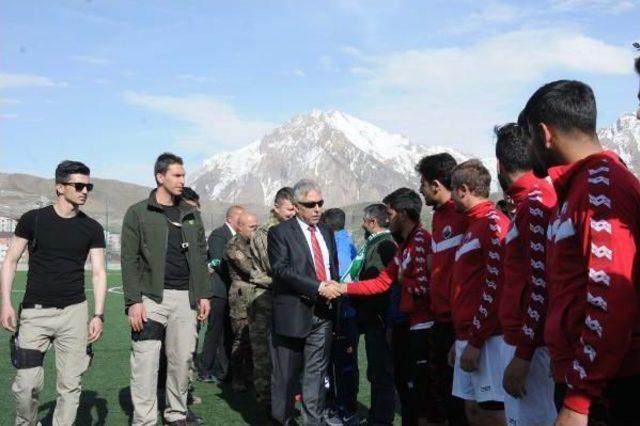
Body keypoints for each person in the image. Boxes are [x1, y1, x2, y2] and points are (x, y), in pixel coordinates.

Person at [521, 80, 640, 425]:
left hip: (610, 386)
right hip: (584, 375)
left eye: (529, 137)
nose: (529, 149)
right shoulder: (575, 189)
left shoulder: (601, 185)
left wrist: (580, 399)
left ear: (544, 133)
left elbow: (610, 296)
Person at [0, 160, 107, 426]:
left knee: (70, 387)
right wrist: (5, 303)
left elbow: (98, 272)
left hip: (74, 313)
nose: (85, 191)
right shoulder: (32, 220)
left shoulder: (92, 228)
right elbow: (10, 261)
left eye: (88, 186)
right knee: (26, 386)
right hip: (34, 314)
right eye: (79, 185)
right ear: (60, 187)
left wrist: (98, 314)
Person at [121, 152, 211, 426]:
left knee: (182, 360)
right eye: (177, 175)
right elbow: (129, 258)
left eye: (184, 175)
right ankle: (144, 420)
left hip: (186, 299)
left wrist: (203, 294)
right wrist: (133, 300)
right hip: (150, 299)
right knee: (146, 362)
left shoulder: (191, 213)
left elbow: (200, 256)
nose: (182, 180)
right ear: (160, 177)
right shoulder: (138, 212)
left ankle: (175, 414)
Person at [333, 188, 437, 426]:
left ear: (402, 214)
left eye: (389, 213)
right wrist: (343, 289)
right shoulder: (404, 245)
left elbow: (423, 288)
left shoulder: (421, 240)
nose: (386, 219)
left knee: (420, 396)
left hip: (421, 327)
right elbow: (382, 282)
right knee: (406, 390)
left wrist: (404, 280)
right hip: (402, 325)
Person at [494, 124, 558, 426]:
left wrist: (523, 354)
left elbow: (540, 285)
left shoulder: (534, 203)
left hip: (531, 345)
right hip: (525, 339)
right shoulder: (529, 200)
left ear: (499, 165)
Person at [268, 179, 341, 426]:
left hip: (324, 315)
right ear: (297, 206)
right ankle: (283, 420)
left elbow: (332, 268)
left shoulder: (327, 232)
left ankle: (313, 421)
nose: (317, 209)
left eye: (320, 203)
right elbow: (280, 269)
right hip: (293, 314)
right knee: (286, 377)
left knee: (316, 375)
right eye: (310, 204)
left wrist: (334, 288)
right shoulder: (279, 233)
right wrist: (318, 287)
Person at [448, 159, 510, 426]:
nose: (451, 197)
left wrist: (475, 340)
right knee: (473, 411)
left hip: (489, 340)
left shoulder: (493, 222)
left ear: (463, 189)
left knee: (494, 413)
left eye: (452, 190)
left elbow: (496, 285)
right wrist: (460, 339)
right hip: (467, 336)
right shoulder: (472, 226)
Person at [415, 153, 469, 426]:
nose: (420, 190)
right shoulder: (438, 217)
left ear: (435, 184)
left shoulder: (463, 216)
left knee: (465, 405)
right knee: (445, 400)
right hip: (441, 321)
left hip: (460, 325)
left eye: (422, 184)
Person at [340, 203, 397, 425]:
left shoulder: (384, 245)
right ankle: (377, 416)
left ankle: (381, 420)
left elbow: (378, 283)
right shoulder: (375, 243)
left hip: (378, 318)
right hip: (372, 317)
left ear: (372, 222)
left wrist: (349, 289)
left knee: (381, 372)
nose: (362, 225)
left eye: (364, 221)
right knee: (376, 370)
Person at [248, 187, 296, 413]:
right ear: (276, 207)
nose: (292, 212)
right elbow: (275, 267)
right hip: (264, 299)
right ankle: (266, 405)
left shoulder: (293, 229)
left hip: (286, 298)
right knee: (264, 356)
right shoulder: (264, 233)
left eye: (295, 208)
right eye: (289, 209)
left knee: (285, 355)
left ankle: (283, 402)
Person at [319, 208, 359, 424]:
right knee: (345, 363)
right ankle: (343, 406)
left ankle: (340, 408)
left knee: (336, 363)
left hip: (340, 313)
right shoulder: (351, 242)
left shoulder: (337, 246)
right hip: (349, 313)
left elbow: (340, 280)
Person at [199, 204, 244, 383]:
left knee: (228, 332)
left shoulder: (238, 237)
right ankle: (205, 370)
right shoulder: (219, 234)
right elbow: (217, 261)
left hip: (231, 292)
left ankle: (226, 370)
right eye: (239, 217)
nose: (242, 220)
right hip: (218, 291)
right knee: (214, 332)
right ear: (230, 219)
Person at [225, 211, 260, 392]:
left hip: (255, 293)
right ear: (240, 227)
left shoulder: (254, 243)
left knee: (255, 338)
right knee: (241, 338)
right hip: (241, 295)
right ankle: (238, 379)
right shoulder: (234, 245)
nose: (256, 230)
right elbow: (249, 268)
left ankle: (251, 375)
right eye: (252, 227)